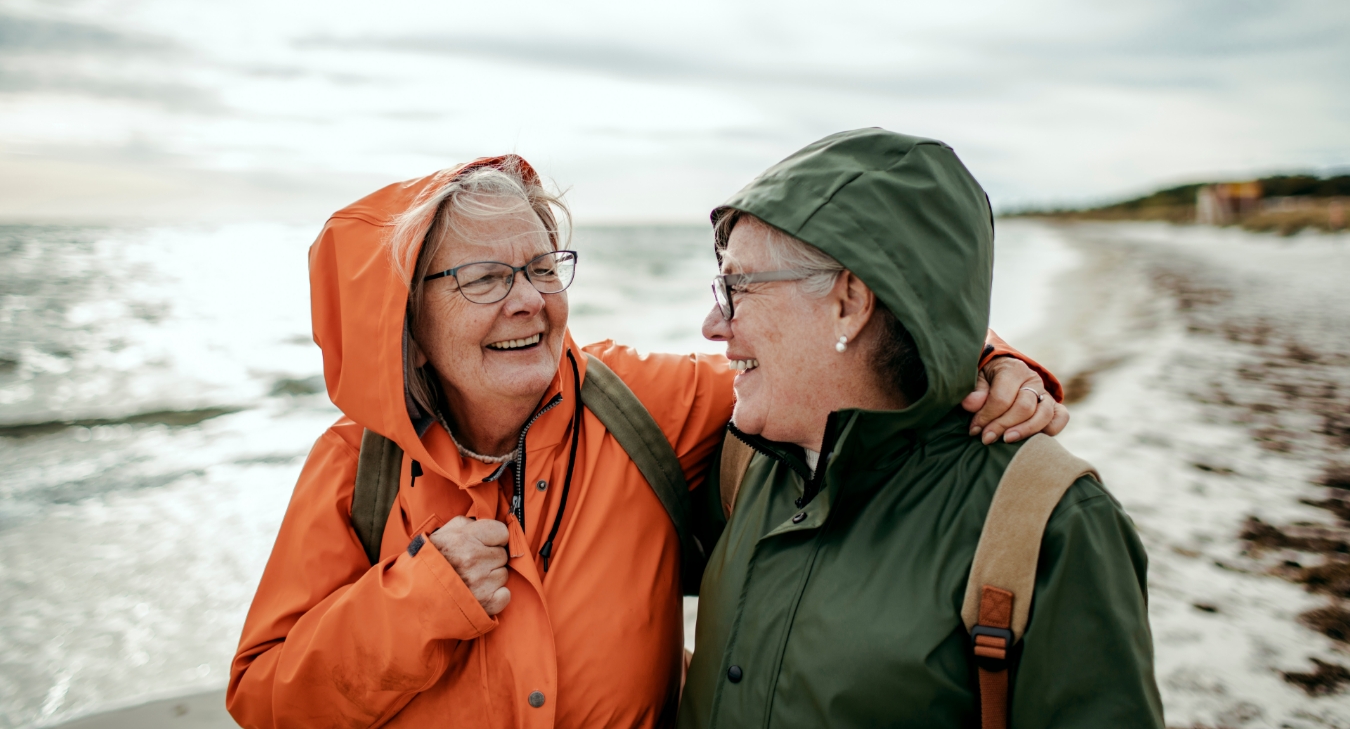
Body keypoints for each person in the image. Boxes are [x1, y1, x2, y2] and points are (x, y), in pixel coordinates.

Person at [227, 154, 1067, 728]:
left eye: (543, 267)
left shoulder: (638, 404)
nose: (528, 301)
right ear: (407, 317)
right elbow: (263, 697)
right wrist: (419, 600)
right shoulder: (355, 469)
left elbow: (834, 367)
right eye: (484, 278)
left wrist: (993, 361)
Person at [678, 129, 1163, 728]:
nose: (712, 325)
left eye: (737, 286)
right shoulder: (741, 464)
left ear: (850, 301)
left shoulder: (1054, 524)